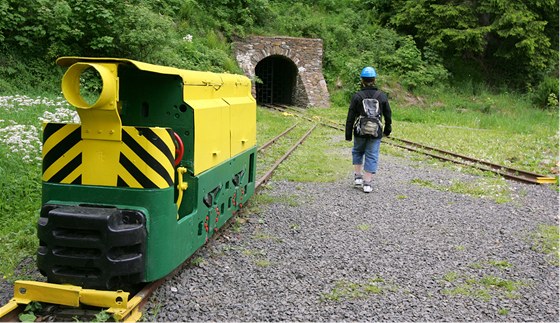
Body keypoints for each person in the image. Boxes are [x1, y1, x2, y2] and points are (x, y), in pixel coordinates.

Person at [345, 66, 392, 193]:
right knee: (372, 155)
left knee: (358, 151)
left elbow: (350, 116)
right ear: (374, 79)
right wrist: (387, 130)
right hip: (376, 132)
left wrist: (348, 134)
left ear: (362, 80)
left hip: (360, 130)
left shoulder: (357, 96)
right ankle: (367, 183)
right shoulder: (381, 96)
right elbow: (388, 115)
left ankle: (358, 177)